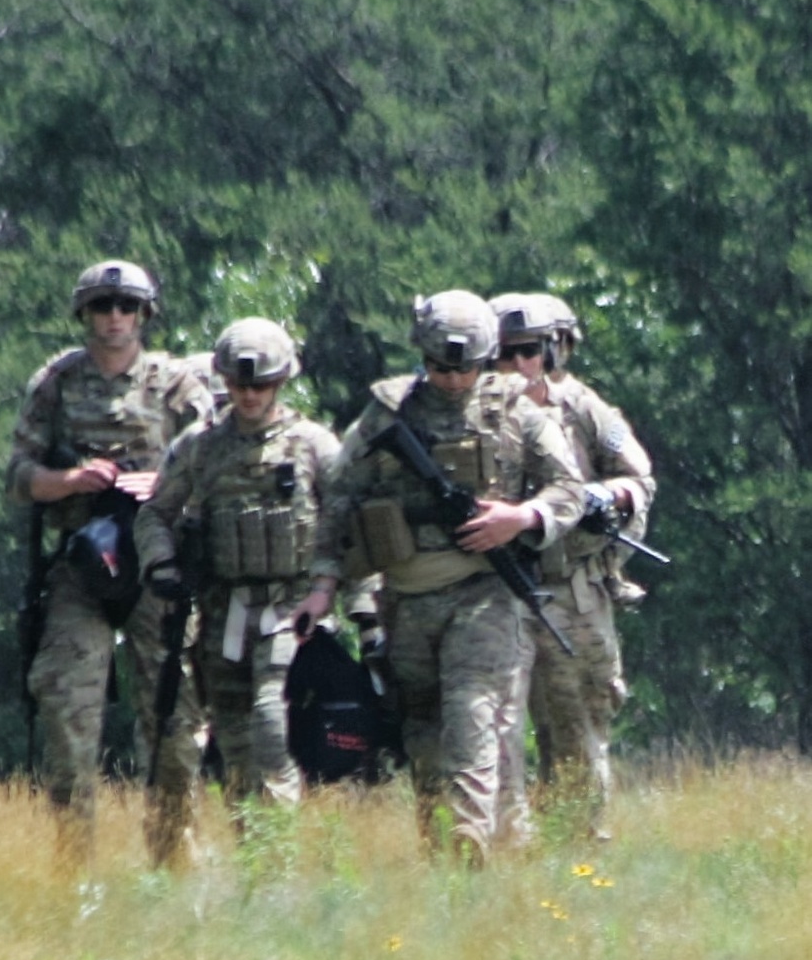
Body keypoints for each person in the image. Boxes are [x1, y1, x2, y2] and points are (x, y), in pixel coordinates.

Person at [290, 290, 585, 863]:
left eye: (466, 367)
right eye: (440, 367)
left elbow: (569, 488)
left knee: (473, 716)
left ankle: (469, 844)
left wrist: (521, 517)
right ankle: (443, 858)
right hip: (406, 599)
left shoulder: (516, 410)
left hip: (486, 595)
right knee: (422, 733)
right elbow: (339, 499)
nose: (453, 380)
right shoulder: (387, 415)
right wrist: (324, 586)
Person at [5, 259, 213, 872]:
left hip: (157, 564)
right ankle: (74, 870)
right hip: (81, 566)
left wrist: (163, 484)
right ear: (84, 314)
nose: (115, 319)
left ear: (145, 315)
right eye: (103, 307)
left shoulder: (177, 385)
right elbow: (18, 477)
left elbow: (214, 470)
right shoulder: (57, 382)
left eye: (126, 308)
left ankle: (173, 861)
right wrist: (71, 479)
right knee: (68, 711)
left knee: (174, 717)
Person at [136, 317, 377, 808]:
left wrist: (339, 595)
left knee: (271, 724)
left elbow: (350, 522)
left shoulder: (312, 443)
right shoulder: (200, 447)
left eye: (262, 384)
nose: (249, 395)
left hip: (291, 610)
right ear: (224, 379)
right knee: (234, 741)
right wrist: (162, 566)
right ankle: (257, 861)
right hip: (223, 614)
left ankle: (277, 859)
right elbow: (154, 514)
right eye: (240, 384)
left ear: (282, 380)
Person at [491, 291, 656, 837]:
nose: (518, 365)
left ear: (552, 353)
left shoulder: (585, 408)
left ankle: (579, 846)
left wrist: (602, 500)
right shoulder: (477, 415)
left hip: (571, 591)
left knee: (580, 725)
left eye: (529, 352)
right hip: (493, 592)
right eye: (504, 353)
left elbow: (639, 478)